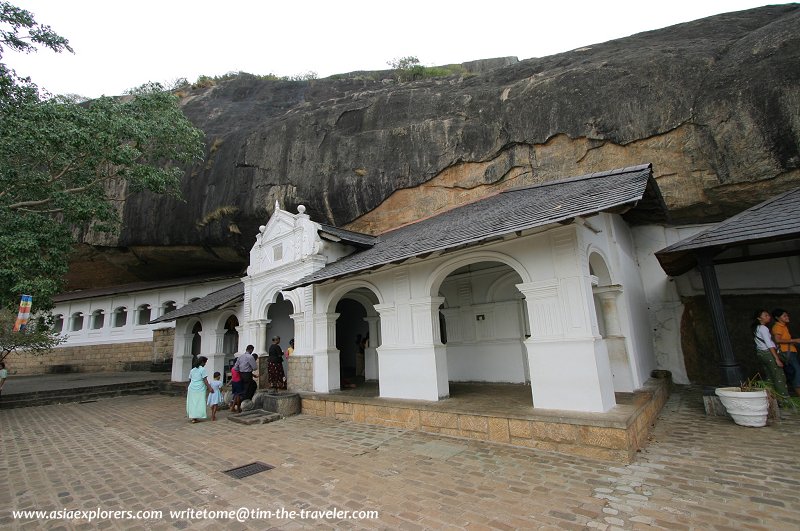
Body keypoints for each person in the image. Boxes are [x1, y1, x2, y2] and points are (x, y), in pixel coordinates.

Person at [752, 309, 789, 398]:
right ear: (759, 318)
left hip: (761, 354)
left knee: (769, 377)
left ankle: (770, 398)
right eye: (765, 315)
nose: (768, 317)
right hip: (768, 353)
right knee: (779, 377)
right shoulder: (763, 328)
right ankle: (784, 400)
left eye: (768, 315)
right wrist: (776, 358)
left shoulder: (756, 328)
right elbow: (769, 344)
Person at [771, 308, 800, 396]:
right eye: (784, 316)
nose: (787, 317)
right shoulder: (778, 327)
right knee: (797, 373)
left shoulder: (783, 326)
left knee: (795, 372)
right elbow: (778, 340)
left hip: (791, 352)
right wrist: (794, 340)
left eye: (787, 315)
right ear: (777, 318)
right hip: (787, 353)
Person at [186, 356, 213, 423]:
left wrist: (188, 387)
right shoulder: (202, 370)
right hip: (200, 388)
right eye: (205, 362)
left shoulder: (192, 370)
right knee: (199, 402)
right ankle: (196, 416)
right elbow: (205, 380)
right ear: (202, 362)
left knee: (192, 402)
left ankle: (193, 417)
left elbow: (190, 379)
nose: (205, 364)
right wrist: (210, 388)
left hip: (192, 388)